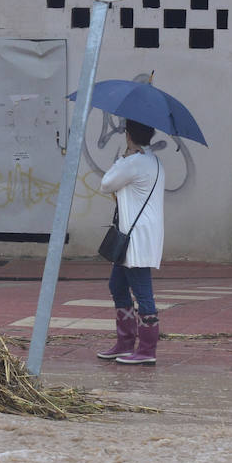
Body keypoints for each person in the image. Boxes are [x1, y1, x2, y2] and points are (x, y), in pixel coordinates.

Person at [97, 120, 165, 365]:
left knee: (143, 292)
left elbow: (106, 183)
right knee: (117, 285)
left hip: (136, 238)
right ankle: (125, 343)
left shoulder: (134, 162)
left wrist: (123, 157)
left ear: (128, 135)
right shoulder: (154, 161)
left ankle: (147, 349)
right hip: (136, 236)